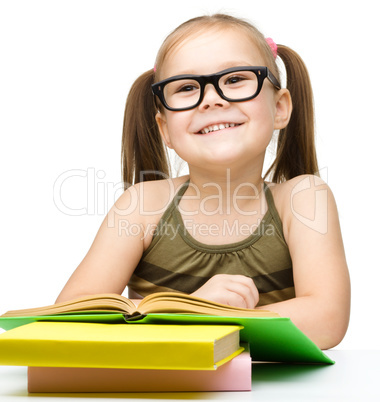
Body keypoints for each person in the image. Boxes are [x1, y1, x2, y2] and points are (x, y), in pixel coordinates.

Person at [56, 14, 350, 349]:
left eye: (236, 79)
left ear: (280, 108)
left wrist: (194, 320)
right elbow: (68, 316)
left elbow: (327, 320)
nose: (211, 98)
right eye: (186, 87)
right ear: (165, 128)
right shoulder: (142, 206)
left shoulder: (302, 199)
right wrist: (192, 311)